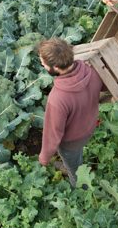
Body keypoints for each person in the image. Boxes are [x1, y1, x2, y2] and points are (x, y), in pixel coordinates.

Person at [38, 38, 104, 186]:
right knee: (77, 156)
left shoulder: (58, 98)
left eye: (43, 63)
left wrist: (44, 158)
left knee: (75, 171)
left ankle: (81, 189)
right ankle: (76, 164)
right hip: (89, 127)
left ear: (55, 67)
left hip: (72, 141)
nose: (42, 65)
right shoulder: (92, 72)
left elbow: (53, 134)